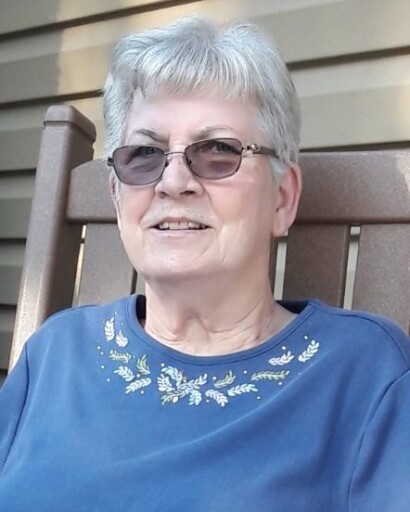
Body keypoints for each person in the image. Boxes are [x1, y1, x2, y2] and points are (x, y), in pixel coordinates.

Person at [0, 15, 409, 512]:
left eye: (218, 151)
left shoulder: (364, 373)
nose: (173, 182)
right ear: (116, 196)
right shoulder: (55, 352)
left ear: (282, 198)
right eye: (144, 154)